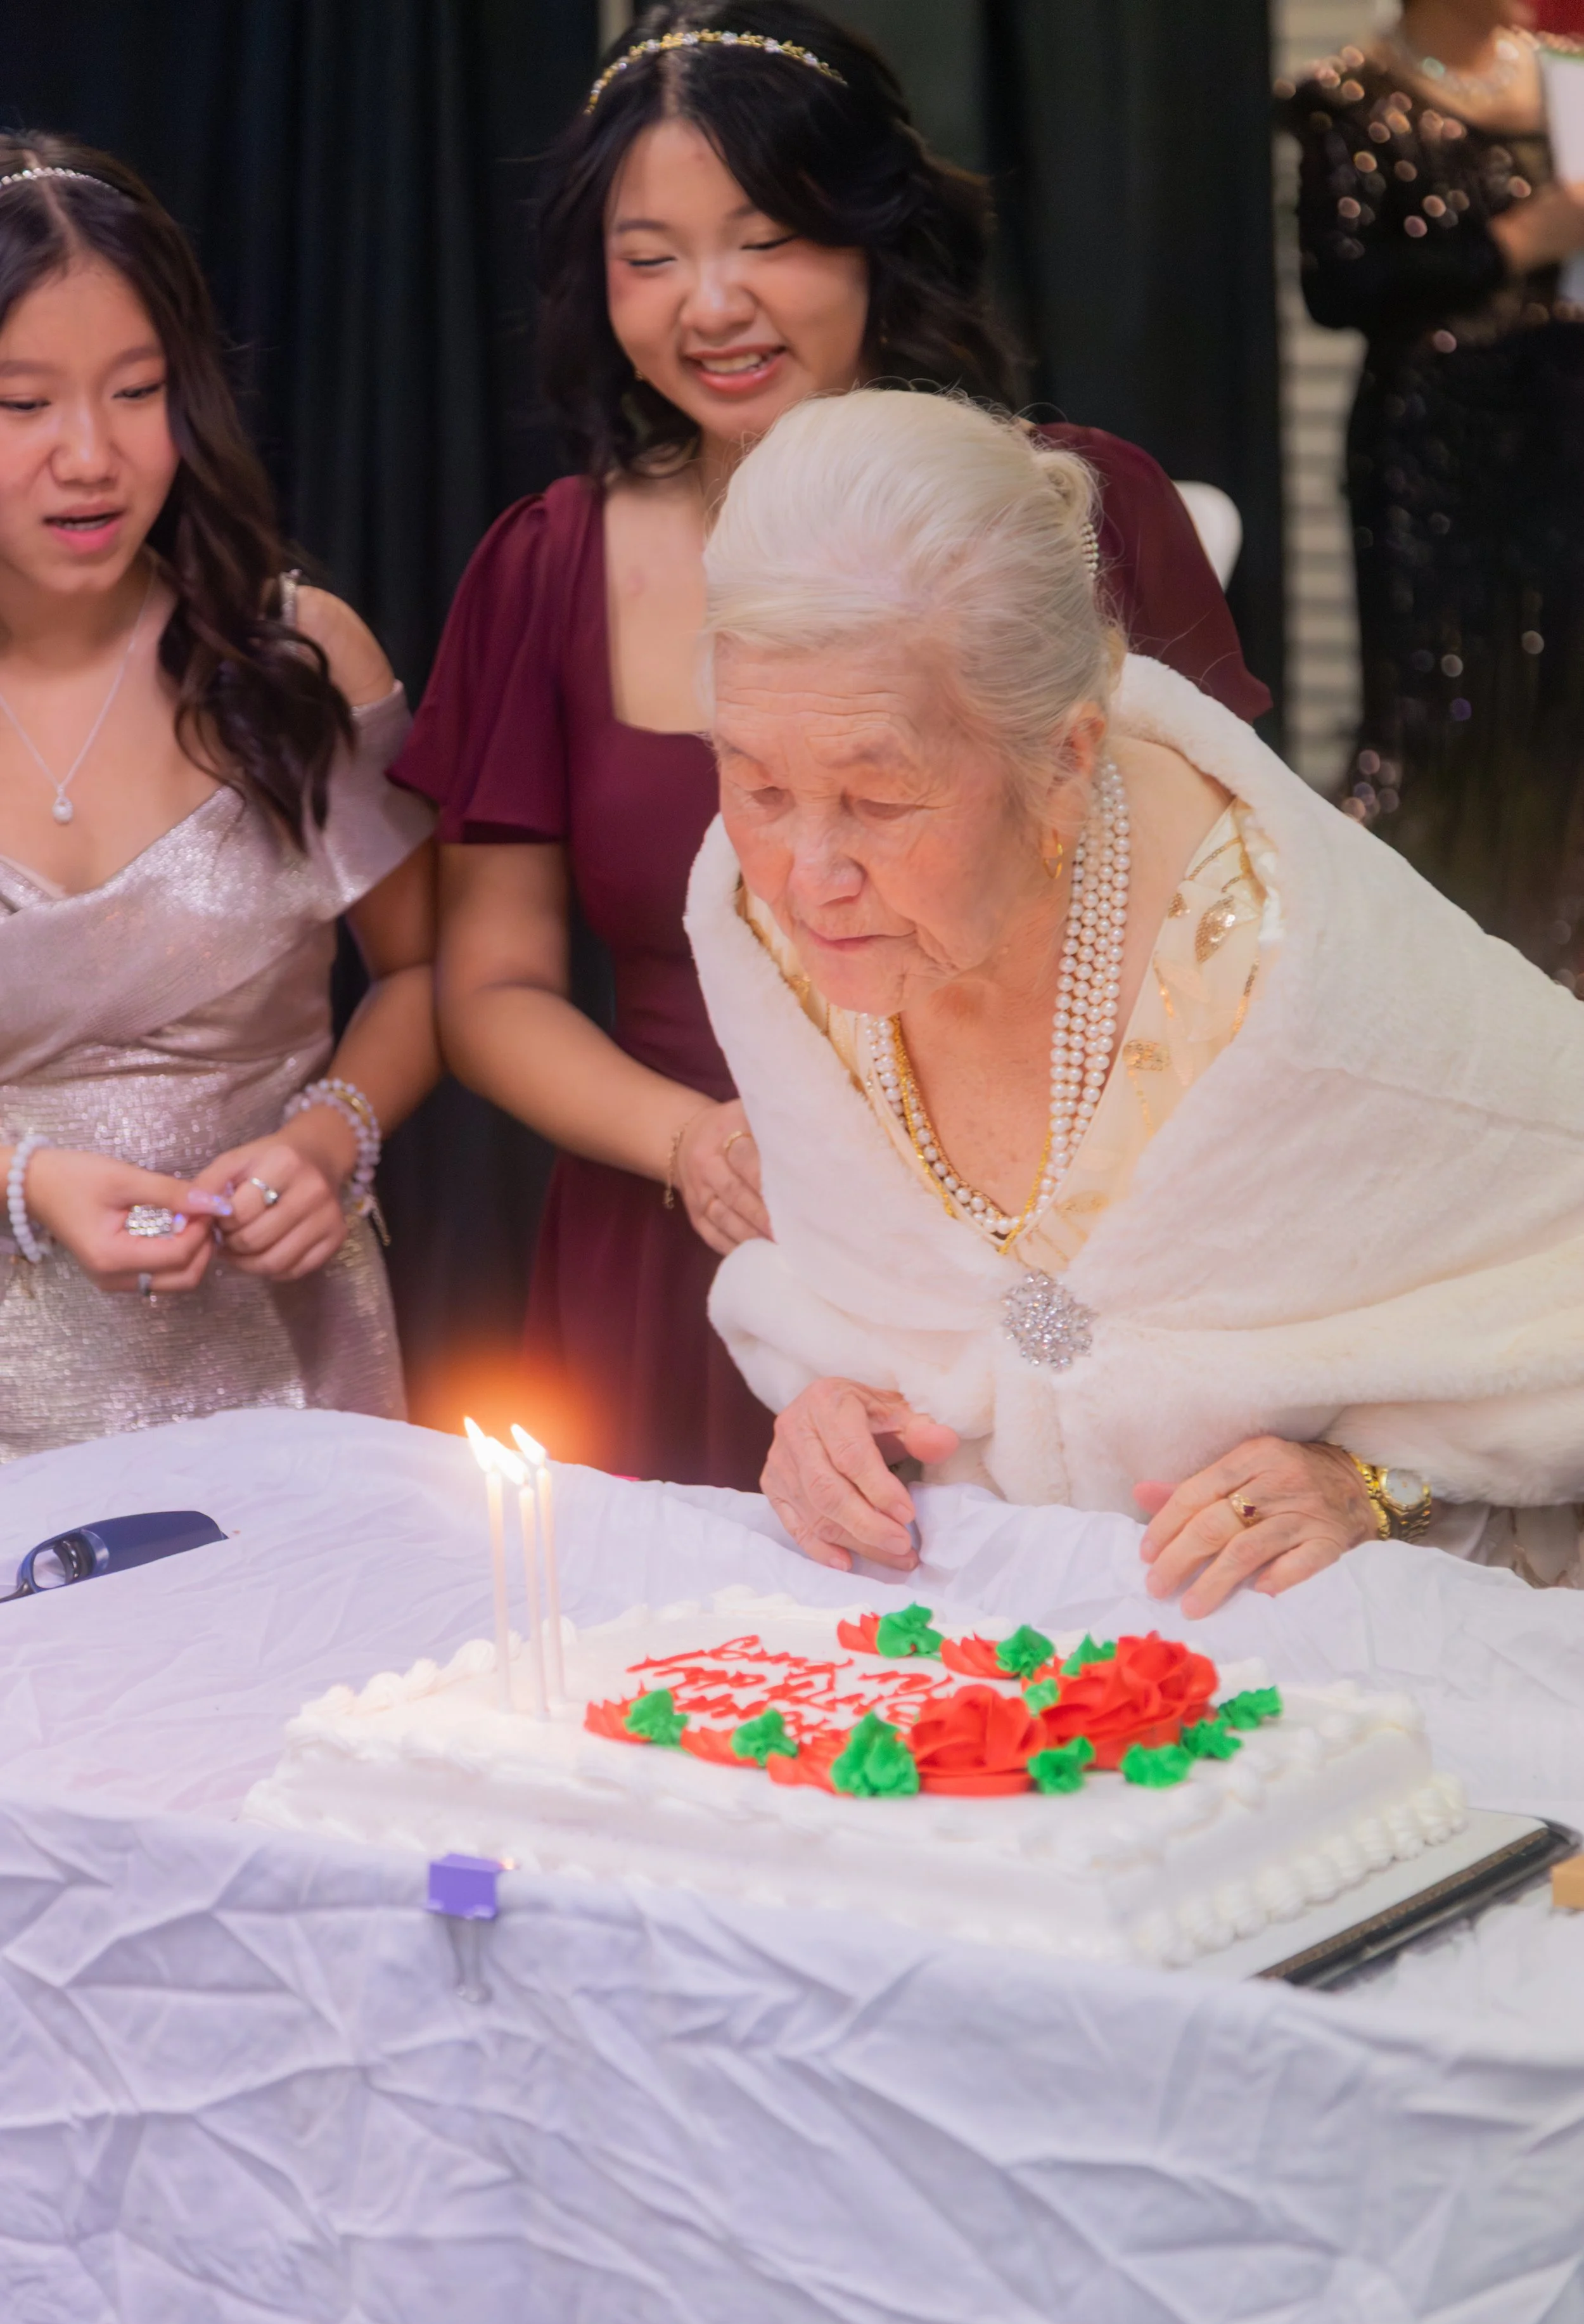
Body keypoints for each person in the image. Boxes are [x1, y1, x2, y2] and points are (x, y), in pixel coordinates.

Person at [398, 0, 1269, 1491]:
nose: (711, 304)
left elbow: (1243, 910)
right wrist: (695, 1143)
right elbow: (488, 986)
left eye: (768, 237)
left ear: (872, 237)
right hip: (678, 1246)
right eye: (649, 257)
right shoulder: (544, 565)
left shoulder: (1076, 517)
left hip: (1034, 1255)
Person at [684, 388, 1584, 1614]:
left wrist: (1382, 1488)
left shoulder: (1283, 956)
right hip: (970, 1671)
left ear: (1063, 756)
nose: (808, 877)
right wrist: (830, 1411)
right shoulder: (748, 918)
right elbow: (864, 1303)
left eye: (880, 801)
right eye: (757, 783)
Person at [0, 136, 440, 1463]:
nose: (92, 455)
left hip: (287, 1361)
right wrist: (23, 1181)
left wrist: (328, 1140)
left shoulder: (299, 657)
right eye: (22, 405)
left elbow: (426, 977)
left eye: (136, 392)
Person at [1280, 4, 1584, 982]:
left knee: (1562, 699)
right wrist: (1516, 241)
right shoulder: (1350, 95)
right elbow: (1340, 285)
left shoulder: (1563, 81)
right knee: (1437, 699)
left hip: (1566, 435)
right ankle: (1424, 974)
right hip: (1434, 453)